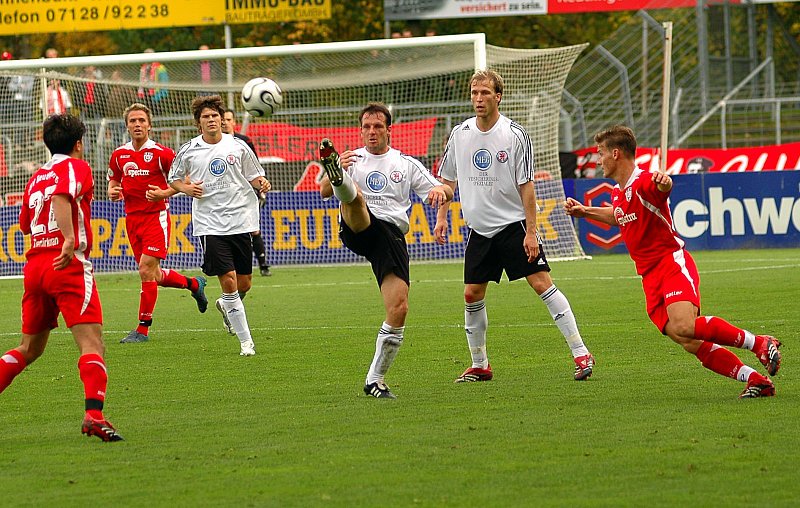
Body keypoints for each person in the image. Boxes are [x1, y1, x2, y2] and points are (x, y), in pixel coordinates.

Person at [564, 125, 781, 398]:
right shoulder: (618, 192)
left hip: (670, 264)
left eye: (600, 153)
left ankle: (760, 342)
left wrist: (664, 184)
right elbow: (619, 215)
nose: (598, 160)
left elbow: (662, 187)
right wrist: (586, 212)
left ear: (616, 153)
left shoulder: (645, 182)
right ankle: (756, 381)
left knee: (685, 325)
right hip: (649, 277)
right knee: (688, 340)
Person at [433, 69, 595, 383]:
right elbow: (447, 181)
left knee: (541, 284)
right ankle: (480, 365)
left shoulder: (514, 134)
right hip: (479, 231)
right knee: (471, 294)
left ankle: (581, 352)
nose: (478, 99)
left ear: (498, 96)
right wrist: (441, 214)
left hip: (513, 226)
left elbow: (527, 186)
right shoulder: (460, 133)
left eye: (485, 93)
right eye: (474, 93)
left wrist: (532, 232)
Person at [0, 114, 122, 441]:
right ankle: (94, 415)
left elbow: (25, 224)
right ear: (79, 144)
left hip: (35, 267)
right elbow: (60, 197)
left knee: (29, 348)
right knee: (92, 342)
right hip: (65, 264)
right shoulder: (75, 167)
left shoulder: (35, 177)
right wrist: (68, 238)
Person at [319, 102, 452, 399]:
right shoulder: (352, 158)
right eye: (366, 126)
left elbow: (446, 191)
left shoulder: (405, 163)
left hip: (389, 237)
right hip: (358, 227)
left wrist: (438, 192)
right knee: (355, 201)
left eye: (378, 126)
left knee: (399, 308)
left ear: (389, 130)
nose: (371, 131)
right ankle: (342, 180)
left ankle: (374, 380)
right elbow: (323, 192)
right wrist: (336, 170)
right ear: (361, 130)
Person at [168, 95, 270, 356]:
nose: (212, 120)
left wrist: (262, 183)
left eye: (215, 116)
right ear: (198, 123)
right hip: (210, 224)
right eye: (206, 117)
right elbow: (174, 179)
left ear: (222, 120)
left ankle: (227, 307)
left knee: (244, 283)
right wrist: (186, 188)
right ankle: (246, 342)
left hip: (241, 220)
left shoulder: (238, 146)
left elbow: (255, 175)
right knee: (228, 279)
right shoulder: (189, 149)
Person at [108, 103, 209, 343]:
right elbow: (112, 181)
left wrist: (163, 193)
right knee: (153, 274)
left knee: (145, 270)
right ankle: (194, 284)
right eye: (133, 121)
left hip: (156, 218)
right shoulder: (119, 155)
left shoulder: (162, 153)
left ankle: (142, 330)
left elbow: (182, 182)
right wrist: (113, 191)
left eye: (141, 120)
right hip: (132, 220)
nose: (137, 125)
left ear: (149, 125)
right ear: (127, 126)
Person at [221, 108, 271, 276]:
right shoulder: (215, 144)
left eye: (228, 119)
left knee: (253, 229)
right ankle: (230, 267)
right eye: (223, 119)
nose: (225, 122)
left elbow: (255, 168)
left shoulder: (244, 141)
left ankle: (263, 265)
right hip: (224, 195)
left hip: (246, 193)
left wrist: (260, 189)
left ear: (234, 122)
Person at [138, 49, 169, 115]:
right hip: (145, 94)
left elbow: (164, 82)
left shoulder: (160, 67)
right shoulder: (143, 68)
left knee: (158, 113)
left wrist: (162, 95)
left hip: (157, 95)